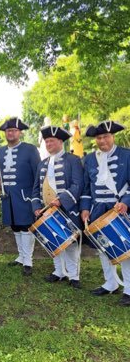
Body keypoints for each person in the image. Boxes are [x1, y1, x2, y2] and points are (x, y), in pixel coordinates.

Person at [80, 120, 130, 306]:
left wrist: (125, 203)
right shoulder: (90, 159)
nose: (102, 140)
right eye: (99, 137)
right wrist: (85, 208)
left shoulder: (126, 155)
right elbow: (86, 188)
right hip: (98, 209)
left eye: (106, 136)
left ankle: (129, 289)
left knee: (125, 249)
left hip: (119, 208)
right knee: (103, 247)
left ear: (112, 136)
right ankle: (110, 283)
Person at [32, 126, 84, 289]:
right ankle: (59, 272)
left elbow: (78, 184)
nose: (48, 144)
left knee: (70, 243)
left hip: (67, 208)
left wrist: (62, 200)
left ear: (60, 141)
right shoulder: (42, 163)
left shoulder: (73, 160)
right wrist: (36, 206)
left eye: (51, 141)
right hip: (47, 210)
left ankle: (74, 275)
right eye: (46, 141)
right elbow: (36, 189)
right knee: (52, 240)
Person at [0, 117, 40, 276]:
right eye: (8, 131)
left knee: (26, 226)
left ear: (19, 132)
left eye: (13, 130)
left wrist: (36, 197)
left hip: (25, 196)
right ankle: (21, 256)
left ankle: (28, 260)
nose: (10, 133)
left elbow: (38, 174)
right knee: (15, 226)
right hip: (8, 196)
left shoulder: (30, 149)